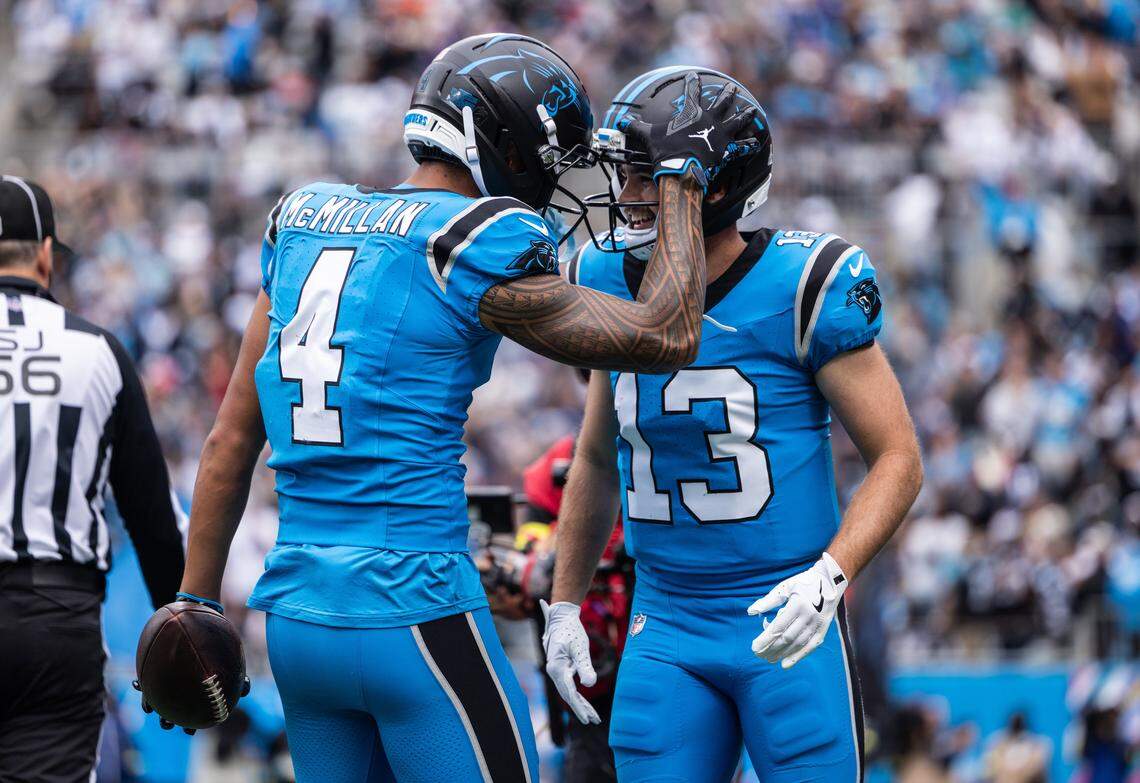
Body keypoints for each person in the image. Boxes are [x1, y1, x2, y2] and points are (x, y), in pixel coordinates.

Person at [171, 35, 758, 783]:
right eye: (552, 165)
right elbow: (666, 335)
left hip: (297, 615)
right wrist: (678, 183)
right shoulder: (472, 237)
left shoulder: (304, 220)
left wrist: (192, 601)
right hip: (413, 606)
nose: (556, 189)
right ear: (508, 147)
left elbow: (229, 439)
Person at [543, 67, 924, 782]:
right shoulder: (601, 273)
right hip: (665, 621)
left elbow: (899, 458)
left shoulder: (802, 283)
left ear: (713, 186)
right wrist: (564, 603)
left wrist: (829, 577)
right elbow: (596, 458)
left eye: (643, 178)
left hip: (785, 612)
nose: (623, 198)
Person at [0, 176, 185, 783]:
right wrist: (180, 630)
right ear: (47, 255)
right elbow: (153, 522)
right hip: (55, 613)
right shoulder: (99, 351)